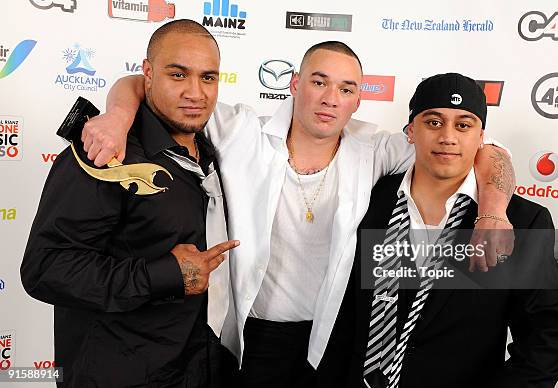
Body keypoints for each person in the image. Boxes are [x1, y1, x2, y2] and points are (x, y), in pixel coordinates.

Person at [81, 41, 516, 387]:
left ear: (357, 100)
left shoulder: (377, 149)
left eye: (346, 89)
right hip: (249, 335)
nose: (330, 99)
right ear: (293, 83)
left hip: (332, 337)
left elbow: (484, 151)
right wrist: (117, 117)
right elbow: (141, 84)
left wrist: (493, 212)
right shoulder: (241, 130)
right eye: (319, 82)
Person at [21, 20, 239, 388]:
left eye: (208, 78)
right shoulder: (104, 153)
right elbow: (45, 268)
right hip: (117, 374)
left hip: (194, 367)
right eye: (178, 74)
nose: (195, 92)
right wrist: (166, 275)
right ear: (148, 75)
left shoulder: (214, 146)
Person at [327, 73, 558, 388]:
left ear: (481, 136)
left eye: (463, 125)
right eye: (433, 122)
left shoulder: (521, 221)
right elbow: (345, 316)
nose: (448, 137)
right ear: (411, 131)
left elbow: (548, 341)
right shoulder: (369, 199)